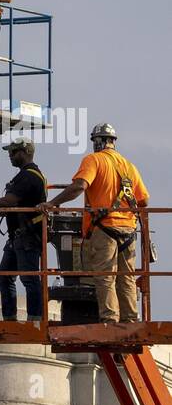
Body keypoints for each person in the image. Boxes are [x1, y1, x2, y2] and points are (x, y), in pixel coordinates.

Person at [46, 122, 149, 325]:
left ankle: (110, 321)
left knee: (105, 276)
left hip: (105, 228)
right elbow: (144, 201)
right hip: (128, 230)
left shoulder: (94, 160)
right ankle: (129, 320)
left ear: (98, 141)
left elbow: (79, 187)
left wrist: (52, 203)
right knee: (126, 277)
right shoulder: (129, 166)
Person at [0, 138, 47, 323]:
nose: (10, 155)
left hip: (28, 237)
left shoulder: (29, 176)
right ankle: (10, 319)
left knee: (29, 278)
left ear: (25, 152)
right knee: (4, 277)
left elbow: (11, 201)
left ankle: (35, 321)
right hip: (18, 237)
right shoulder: (25, 175)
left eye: (13, 152)